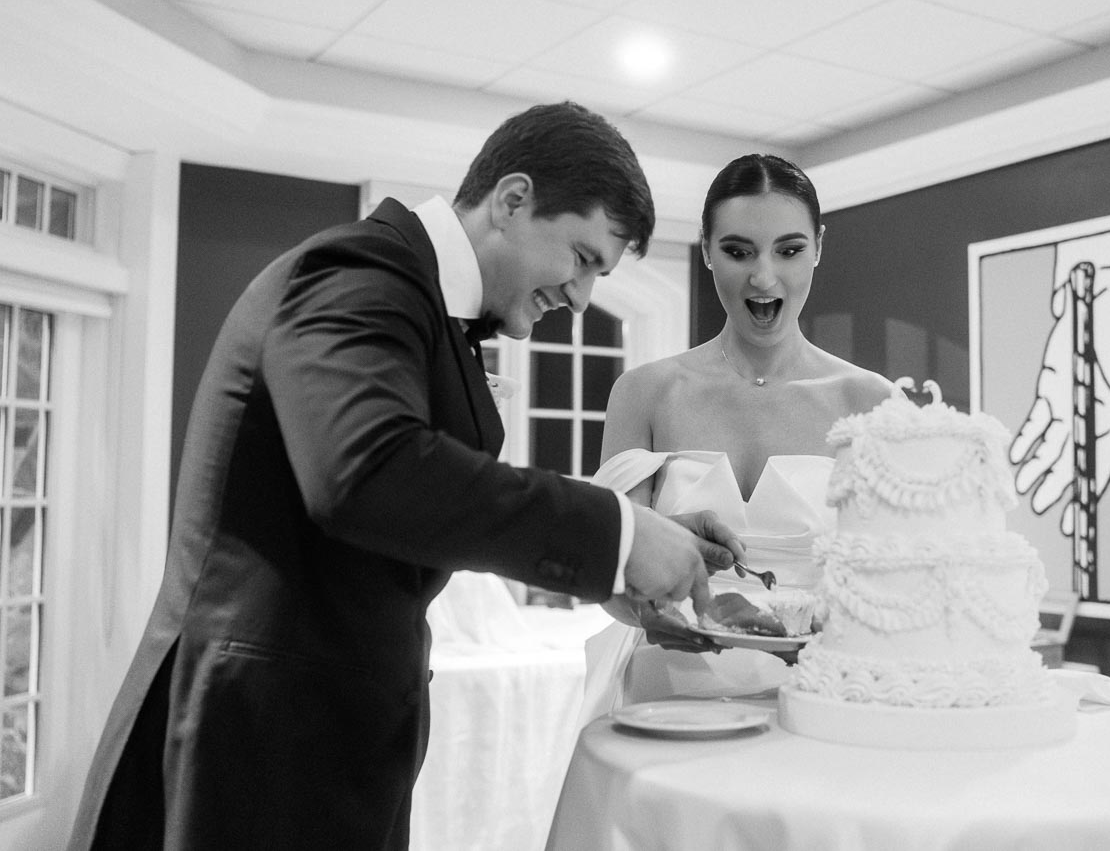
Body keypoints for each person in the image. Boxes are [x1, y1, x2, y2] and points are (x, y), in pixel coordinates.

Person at [68, 101, 742, 851]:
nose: (582, 298)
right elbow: (367, 471)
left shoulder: (431, 307)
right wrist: (616, 533)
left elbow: (425, 510)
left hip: (333, 735)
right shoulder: (359, 272)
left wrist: (631, 558)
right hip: (262, 746)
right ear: (513, 199)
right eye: (582, 259)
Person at [579, 153, 892, 719]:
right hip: (669, 693)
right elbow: (609, 580)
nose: (764, 277)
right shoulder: (645, 393)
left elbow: (896, 582)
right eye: (738, 251)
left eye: (789, 250)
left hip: (822, 698)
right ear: (706, 250)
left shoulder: (871, 402)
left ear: (818, 247)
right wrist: (650, 600)